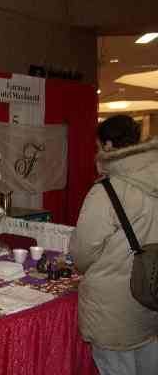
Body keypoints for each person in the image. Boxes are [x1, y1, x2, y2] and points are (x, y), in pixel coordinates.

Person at [69, 115, 158, 375]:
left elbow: (83, 251)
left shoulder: (107, 190)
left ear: (108, 146)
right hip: (150, 298)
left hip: (113, 309)